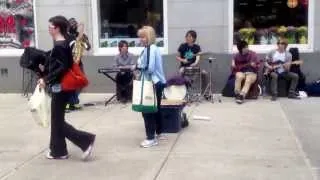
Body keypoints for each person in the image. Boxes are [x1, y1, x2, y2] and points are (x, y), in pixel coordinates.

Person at [38, 15, 95, 160]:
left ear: (57, 28)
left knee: (57, 121)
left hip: (60, 86)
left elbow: (61, 68)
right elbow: (63, 64)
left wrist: (46, 79)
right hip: (63, 86)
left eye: (50, 26)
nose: (49, 29)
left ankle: (86, 141)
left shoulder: (60, 45)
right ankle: (58, 151)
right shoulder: (64, 42)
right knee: (57, 119)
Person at [137, 26, 166, 148]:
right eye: (140, 37)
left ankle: (150, 138)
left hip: (150, 83)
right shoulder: (154, 48)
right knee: (155, 109)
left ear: (149, 37)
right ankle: (159, 133)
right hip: (157, 82)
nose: (141, 39)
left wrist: (137, 66)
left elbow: (149, 67)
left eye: (143, 37)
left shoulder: (149, 49)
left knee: (147, 111)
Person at [66, 18, 91, 112]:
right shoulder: (66, 37)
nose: (73, 26)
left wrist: (84, 39)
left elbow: (88, 47)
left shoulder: (81, 35)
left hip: (78, 63)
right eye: (71, 24)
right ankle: (69, 103)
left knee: (80, 83)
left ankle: (74, 101)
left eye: (74, 24)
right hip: (68, 63)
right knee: (69, 83)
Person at [176, 30, 209, 97]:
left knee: (204, 73)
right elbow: (177, 57)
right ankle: (182, 93)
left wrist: (195, 63)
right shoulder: (182, 46)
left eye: (189, 36)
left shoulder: (197, 47)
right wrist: (182, 60)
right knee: (180, 72)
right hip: (184, 67)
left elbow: (198, 57)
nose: (187, 38)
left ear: (194, 38)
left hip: (194, 67)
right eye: (187, 36)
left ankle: (205, 93)